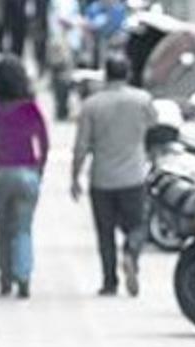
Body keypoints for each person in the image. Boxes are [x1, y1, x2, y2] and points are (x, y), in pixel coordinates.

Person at [71, 54, 156, 296]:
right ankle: (130, 251)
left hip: (102, 179)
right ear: (128, 74)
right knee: (138, 225)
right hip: (133, 176)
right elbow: (154, 126)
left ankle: (109, 282)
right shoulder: (142, 100)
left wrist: (75, 177)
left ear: (106, 74)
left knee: (105, 232)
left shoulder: (92, 105)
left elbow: (81, 146)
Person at [0, 55, 49, 299]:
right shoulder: (30, 106)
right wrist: (40, 169)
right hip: (26, 172)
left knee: (2, 228)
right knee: (23, 229)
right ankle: (24, 277)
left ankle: (5, 279)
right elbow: (44, 141)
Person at [84, 0, 127, 68]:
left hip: (115, 36)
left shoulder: (119, 8)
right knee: (101, 40)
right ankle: (99, 66)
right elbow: (87, 23)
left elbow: (123, 26)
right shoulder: (94, 8)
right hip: (97, 37)